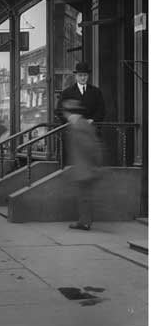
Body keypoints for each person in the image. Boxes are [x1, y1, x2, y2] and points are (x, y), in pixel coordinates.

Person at [60, 99, 103, 231]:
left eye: (65, 113)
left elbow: (89, 147)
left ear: (69, 113)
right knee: (84, 196)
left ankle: (84, 222)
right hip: (84, 166)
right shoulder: (79, 125)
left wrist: (94, 164)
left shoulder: (79, 126)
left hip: (85, 167)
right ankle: (84, 221)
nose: (64, 115)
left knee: (84, 196)